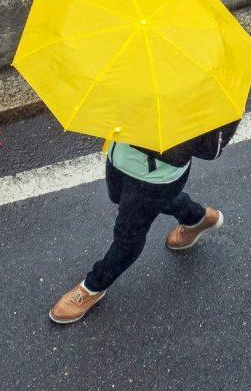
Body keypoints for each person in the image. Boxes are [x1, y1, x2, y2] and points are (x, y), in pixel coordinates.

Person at [49, 121, 239, 324]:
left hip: (154, 177)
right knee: (121, 198)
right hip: (119, 153)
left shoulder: (205, 94)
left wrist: (151, 134)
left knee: (128, 235)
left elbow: (210, 147)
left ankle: (93, 287)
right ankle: (197, 218)